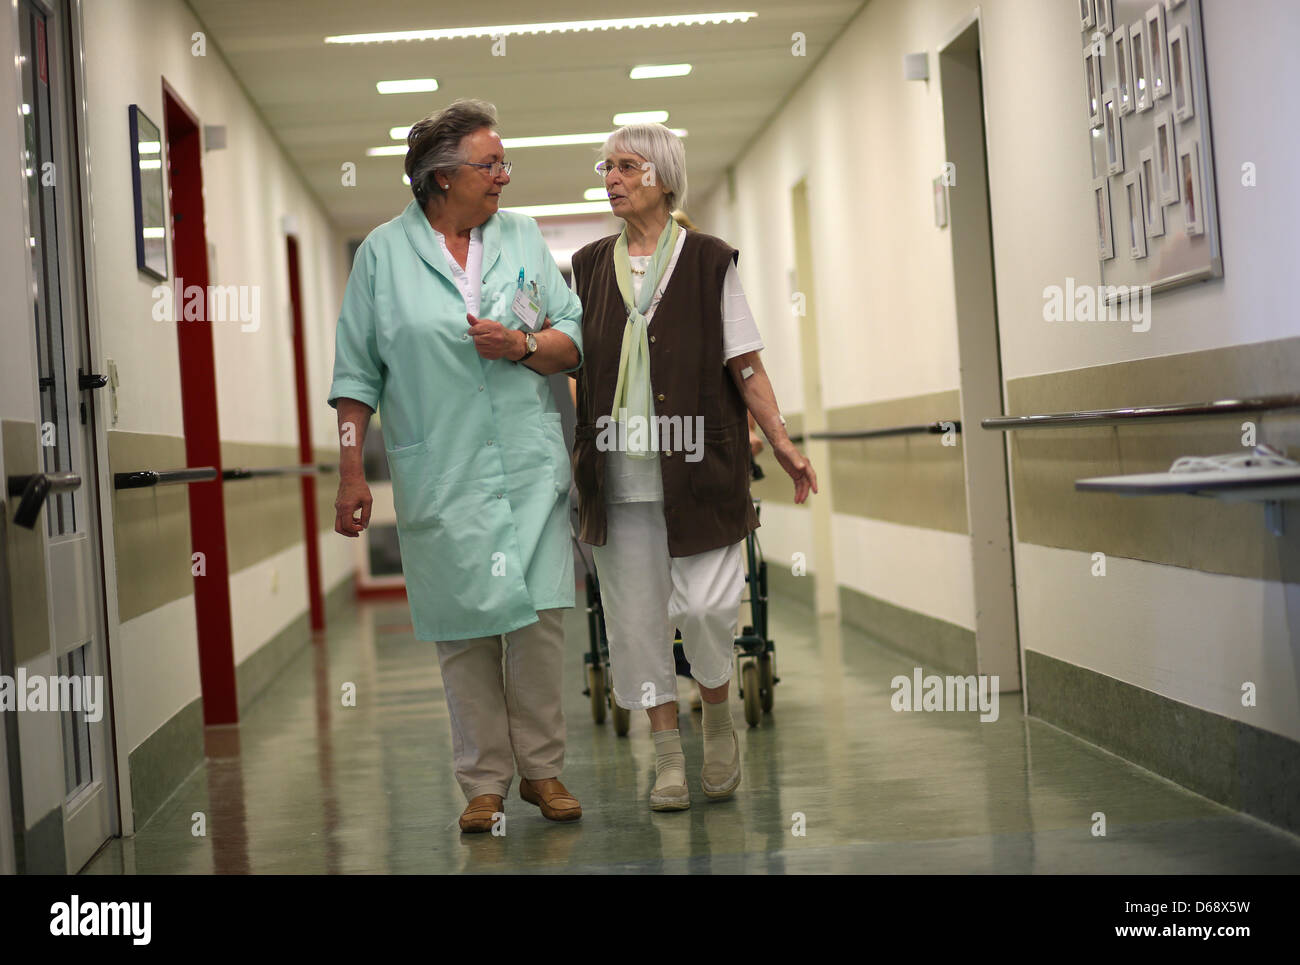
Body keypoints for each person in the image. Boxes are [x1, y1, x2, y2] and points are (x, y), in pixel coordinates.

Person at [328, 99, 584, 833]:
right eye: (490, 164)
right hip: (441, 470)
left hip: (527, 466)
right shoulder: (381, 254)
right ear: (442, 177)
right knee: (463, 629)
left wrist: (524, 347)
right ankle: (483, 782)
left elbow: (572, 335)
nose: (504, 175)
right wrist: (352, 472)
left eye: (504, 163)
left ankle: (542, 769)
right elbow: (355, 376)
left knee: (538, 625)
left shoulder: (525, 237)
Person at [570, 123, 817, 812]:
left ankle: (717, 715)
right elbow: (577, 365)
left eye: (625, 167)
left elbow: (746, 364)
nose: (610, 178)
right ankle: (667, 758)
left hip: (703, 470)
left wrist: (785, 442)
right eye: (607, 165)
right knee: (637, 624)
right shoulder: (589, 265)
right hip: (618, 480)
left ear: (663, 179)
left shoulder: (710, 260)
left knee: (708, 608)